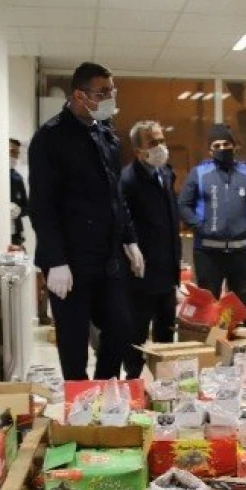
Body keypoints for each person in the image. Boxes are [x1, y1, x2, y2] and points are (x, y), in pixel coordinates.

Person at [28, 62, 144, 381]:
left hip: (107, 257)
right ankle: (78, 405)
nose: (110, 97)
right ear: (79, 95)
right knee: (73, 342)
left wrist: (130, 240)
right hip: (70, 261)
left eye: (112, 91)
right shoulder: (49, 139)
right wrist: (55, 260)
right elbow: (42, 205)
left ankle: (104, 390)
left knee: (121, 328)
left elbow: (116, 195)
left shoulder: (106, 134)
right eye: (102, 92)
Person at [178, 124, 246, 315]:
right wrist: (199, 226)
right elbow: (183, 205)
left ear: (235, 146)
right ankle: (211, 345)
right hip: (208, 254)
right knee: (208, 306)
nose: (222, 149)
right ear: (210, 150)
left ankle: (240, 345)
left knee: (240, 306)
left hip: (241, 252)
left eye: (226, 144)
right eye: (217, 145)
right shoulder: (199, 174)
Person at [121, 120, 181, 379]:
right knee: (135, 335)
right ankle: (133, 382)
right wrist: (131, 245)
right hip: (141, 273)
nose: (160, 147)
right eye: (152, 143)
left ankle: (163, 384)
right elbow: (124, 222)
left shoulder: (165, 173)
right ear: (138, 151)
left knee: (166, 334)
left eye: (161, 140)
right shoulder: (128, 180)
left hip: (167, 271)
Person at [9, 138, 28, 248]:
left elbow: (27, 207)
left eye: (17, 153)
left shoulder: (17, 179)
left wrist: (19, 210)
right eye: (12, 152)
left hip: (15, 234)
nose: (15, 157)